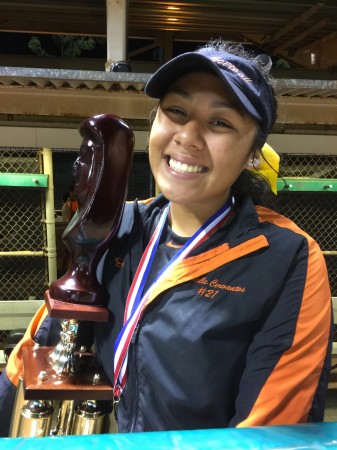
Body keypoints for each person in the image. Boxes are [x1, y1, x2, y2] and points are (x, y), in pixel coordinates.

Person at [0, 40, 332, 436]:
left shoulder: (286, 257)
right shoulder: (116, 226)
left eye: (220, 122)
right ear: (154, 121)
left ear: (252, 154)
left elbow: (270, 429)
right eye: (176, 111)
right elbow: (38, 352)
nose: (188, 136)